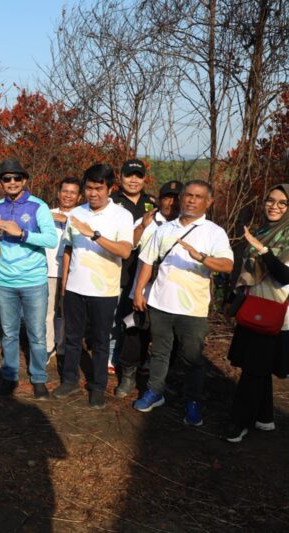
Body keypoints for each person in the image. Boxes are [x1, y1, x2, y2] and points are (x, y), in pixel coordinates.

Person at [132, 180, 234, 426]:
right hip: (160, 303)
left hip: (193, 308)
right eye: (188, 195)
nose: (191, 200)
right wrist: (139, 291)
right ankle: (155, 391)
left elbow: (227, 265)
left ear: (208, 202)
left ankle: (193, 400)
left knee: (192, 358)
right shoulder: (165, 229)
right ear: (181, 198)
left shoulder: (214, 232)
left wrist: (201, 257)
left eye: (198, 197)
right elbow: (147, 261)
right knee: (160, 352)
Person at [53, 164, 133, 408]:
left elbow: (125, 251)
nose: (93, 193)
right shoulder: (77, 212)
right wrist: (65, 285)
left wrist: (94, 235)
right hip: (75, 289)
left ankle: (97, 387)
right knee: (72, 337)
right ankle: (69, 381)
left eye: (99, 188)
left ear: (110, 189)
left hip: (104, 291)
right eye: (89, 188)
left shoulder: (121, 216)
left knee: (100, 341)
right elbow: (68, 249)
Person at [223, 185, 289, 442]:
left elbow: (286, 277)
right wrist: (233, 298)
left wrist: (263, 250)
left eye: (282, 203)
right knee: (257, 367)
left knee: (253, 369)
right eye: (270, 200)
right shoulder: (264, 230)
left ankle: (239, 422)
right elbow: (246, 272)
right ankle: (264, 417)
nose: (274, 206)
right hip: (254, 306)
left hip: (276, 314)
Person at [0, 159, 58, 398]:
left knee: (37, 334)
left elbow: (51, 240)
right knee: (9, 333)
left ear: (24, 180)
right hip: (5, 281)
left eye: (16, 178)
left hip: (34, 281)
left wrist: (22, 233)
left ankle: (39, 378)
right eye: (6, 178)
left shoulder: (39, 206)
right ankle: (10, 377)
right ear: (0, 183)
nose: (12, 182)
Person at [115, 180, 182, 398]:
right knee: (134, 334)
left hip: (172, 294)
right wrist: (143, 226)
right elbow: (130, 245)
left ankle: (158, 376)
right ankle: (128, 375)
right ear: (158, 200)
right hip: (143, 290)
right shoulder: (149, 221)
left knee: (169, 338)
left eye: (176, 198)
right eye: (167, 197)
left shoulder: (188, 226)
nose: (171, 203)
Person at [108, 159, 157, 374]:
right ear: (120, 177)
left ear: (144, 179)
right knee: (115, 317)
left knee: (141, 319)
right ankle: (112, 355)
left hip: (145, 272)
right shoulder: (111, 201)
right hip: (117, 269)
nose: (133, 180)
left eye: (138, 176)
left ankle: (139, 356)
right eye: (129, 175)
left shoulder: (152, 203)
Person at [45, 177, 82, 362]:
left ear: (79, 196)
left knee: (69, 314)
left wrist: (66, 219)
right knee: (47, 313)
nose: (68, 195)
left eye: (73, 192)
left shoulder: (83, 215)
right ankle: (48, 347)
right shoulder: (46, 213)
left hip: (74, 273)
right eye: (65, 191)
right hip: (48, 271)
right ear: (58, 193)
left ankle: (64, 347)